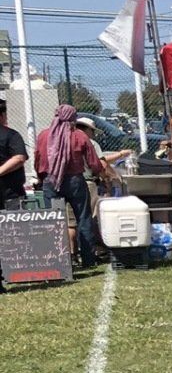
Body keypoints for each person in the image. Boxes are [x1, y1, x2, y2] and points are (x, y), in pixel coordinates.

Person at [34, 104, 117, 270]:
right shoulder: (79, 136)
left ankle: (57, 260)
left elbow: (38, 160)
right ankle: (88, 259)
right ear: (72, 118)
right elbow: (94, 162)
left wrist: (40, 177)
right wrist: (104, 177)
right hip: (75, 181)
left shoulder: (44, 135)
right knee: (83, 219)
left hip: (51, 181)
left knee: (53, 221)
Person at [0, 99, 27, 211]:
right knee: (16, 227)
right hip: (10, 195)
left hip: (9, 194)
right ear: (2, 116)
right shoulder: (11, 135)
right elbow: (19, 158)